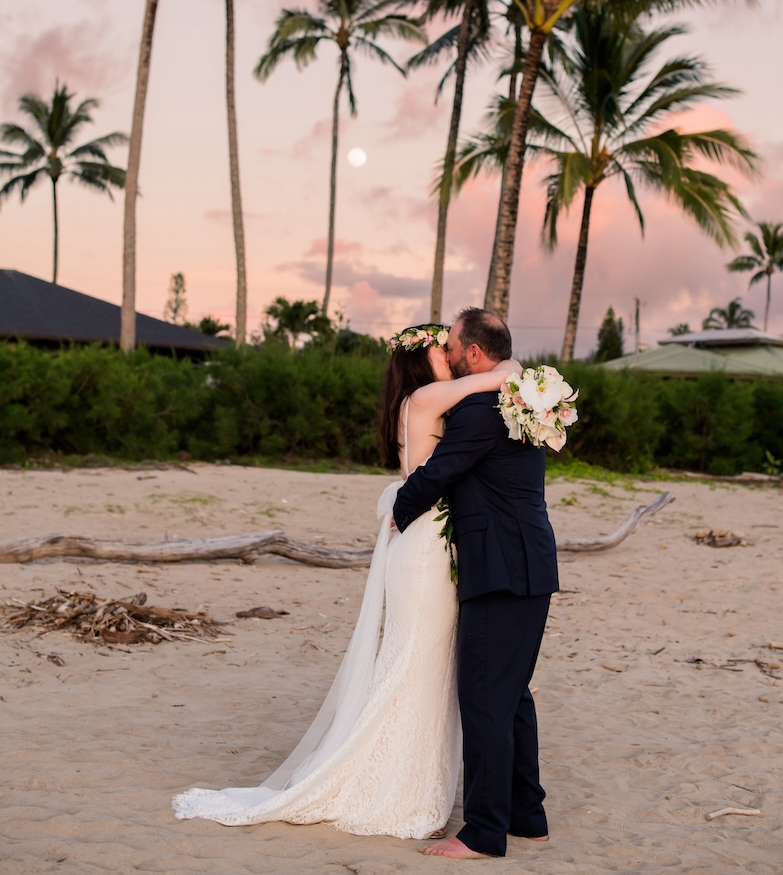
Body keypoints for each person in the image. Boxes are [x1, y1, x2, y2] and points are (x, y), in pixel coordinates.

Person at [173, 323, 520, 838]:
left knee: (423, 668)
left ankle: (409, 783)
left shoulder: (421, 402)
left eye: (449, 351)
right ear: (420, 364)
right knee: (411, 667)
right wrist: (513, 370)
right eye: (438, 352)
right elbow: (488, 382)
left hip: (430, 545)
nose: (448, 357)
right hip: (424, 552)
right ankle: (389, 787)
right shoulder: (427, 397)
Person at [393, 307, 559, 859]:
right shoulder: (518, 400)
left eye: (454, 345)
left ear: (472, 355)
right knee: (512, 697)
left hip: (501, 570)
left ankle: (485, 831)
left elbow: (441, 472)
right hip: (528, 565)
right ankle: (527, 816)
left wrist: (399, 507)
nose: (449, 351)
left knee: (485, 697)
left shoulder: (483, 408)